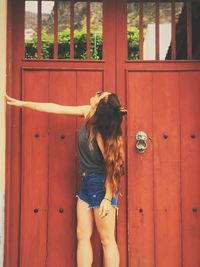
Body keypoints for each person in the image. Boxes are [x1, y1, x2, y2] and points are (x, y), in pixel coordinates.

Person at [5, 91, 127, 267]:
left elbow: (112, 168)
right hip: (86, 185)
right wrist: (22, 103)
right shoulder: (88, 112)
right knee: (82, 235)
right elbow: (56, 108)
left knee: (107, 240)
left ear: (99, 105)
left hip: (102, 186)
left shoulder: (101, 131)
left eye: (100, 94)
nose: (96, 92)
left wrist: (107, 199)